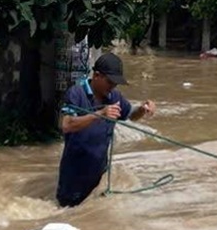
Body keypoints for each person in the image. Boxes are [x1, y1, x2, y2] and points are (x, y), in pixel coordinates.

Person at [56, 52, 156, 207]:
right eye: (110, 82)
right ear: (97, 76)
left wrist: (143, 110)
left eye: (115, 83)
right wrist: (100, 114)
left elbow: (130, 115)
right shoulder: (76, 93)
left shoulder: (114, 96)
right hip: (74, 178)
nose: (113, 87)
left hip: (100, 178)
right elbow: (66, 124)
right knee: (68, 215)